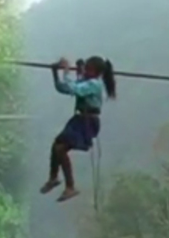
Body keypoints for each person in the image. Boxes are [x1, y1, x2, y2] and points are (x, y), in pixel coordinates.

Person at [39, 56, 117, 202]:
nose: (86, 72)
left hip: (87, 121)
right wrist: (55, 73)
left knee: (60, 148)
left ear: (97, 72)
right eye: (85, 68)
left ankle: (70, 186)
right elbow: (63, 88)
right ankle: (54, 177)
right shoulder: (86, 82)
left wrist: (67, 70)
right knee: (56, 145)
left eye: (89, 69)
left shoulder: (94, 84)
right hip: (79, 119)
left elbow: (74, 89)